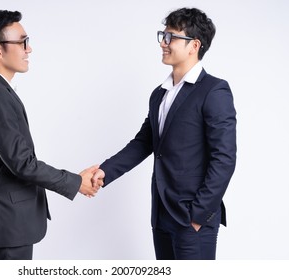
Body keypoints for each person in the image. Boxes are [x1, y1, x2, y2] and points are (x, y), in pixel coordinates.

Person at [92, 7, 236, 259]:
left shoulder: (214, 91)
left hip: (192, 219)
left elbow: (224, 158)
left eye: (171, 37)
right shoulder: (160, 94)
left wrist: (198, 215)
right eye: (163, 35)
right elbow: (144, 143)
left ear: (194, 45)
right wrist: (104, 171)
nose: (163, 43)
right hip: (161, 214)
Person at [0, 10, 100, 260]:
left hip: (7, 223)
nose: (29, 49)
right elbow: (22, 164)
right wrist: (75, 182)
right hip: (8, 224)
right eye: (22, 42)